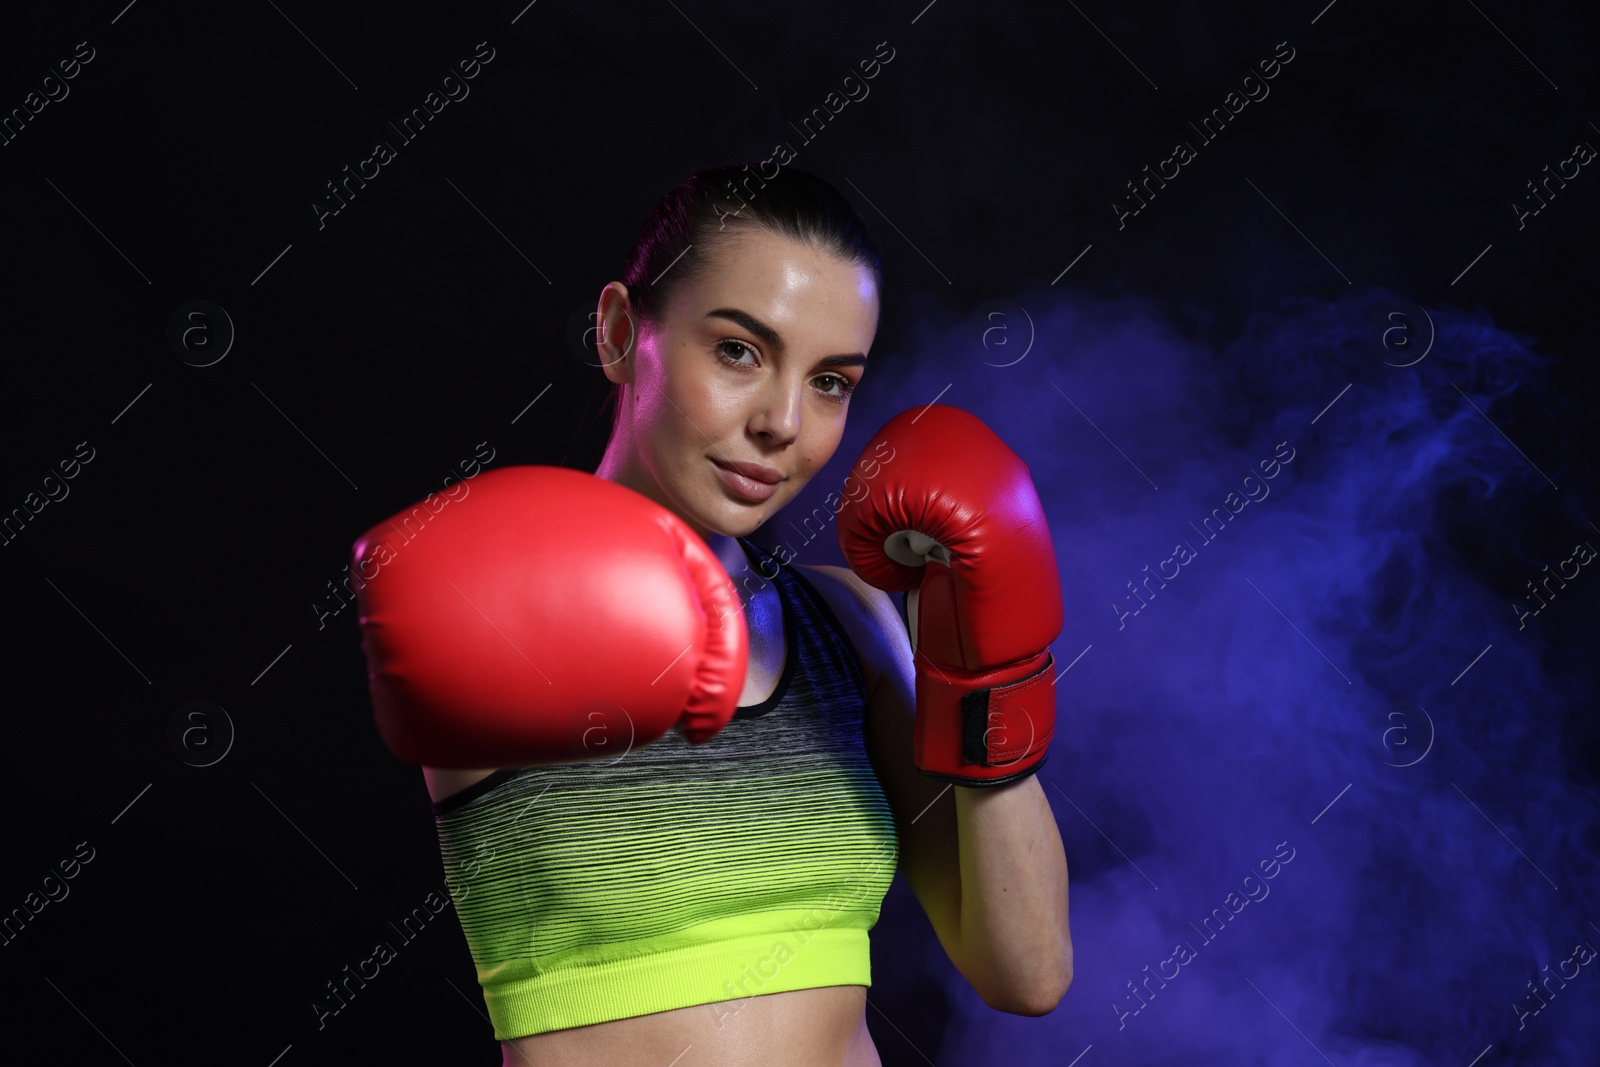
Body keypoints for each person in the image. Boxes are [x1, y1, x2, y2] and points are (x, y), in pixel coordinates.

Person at [364, 163, 1073, 1066]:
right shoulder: (500, 597)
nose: (783, 422)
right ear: (623, 332)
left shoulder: (847, 619)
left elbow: (1030, 971)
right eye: (740, 350)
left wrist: (984, 666)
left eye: (830, 381)